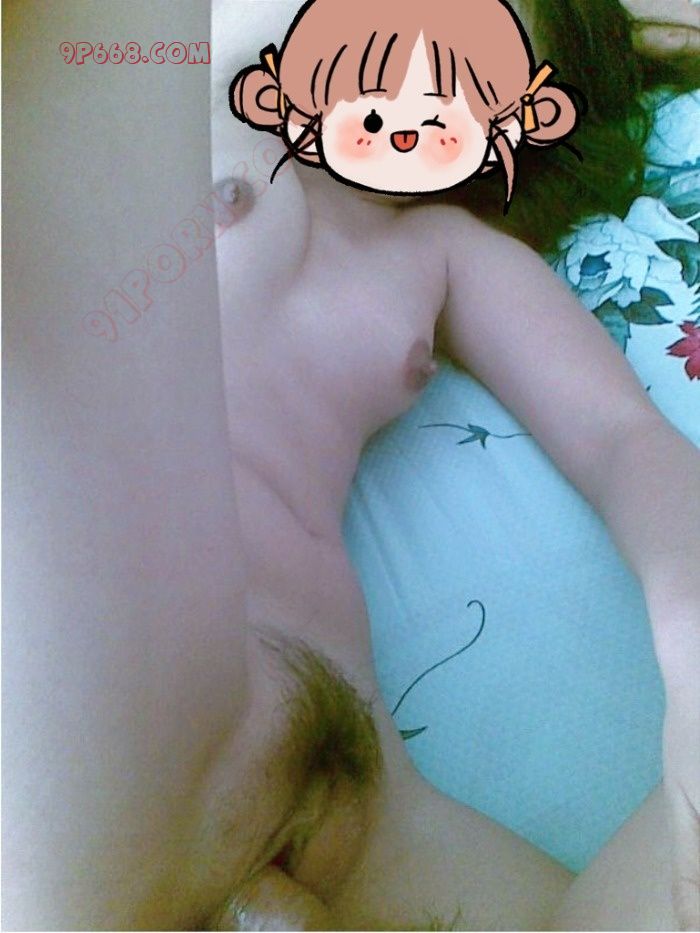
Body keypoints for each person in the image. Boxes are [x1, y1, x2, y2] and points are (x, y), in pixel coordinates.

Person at [3, 1, 697, 931]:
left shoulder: (440, 252)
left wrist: (687, 613)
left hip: (353, 787)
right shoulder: (158, 98)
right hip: (101, 686)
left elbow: (619, 437)